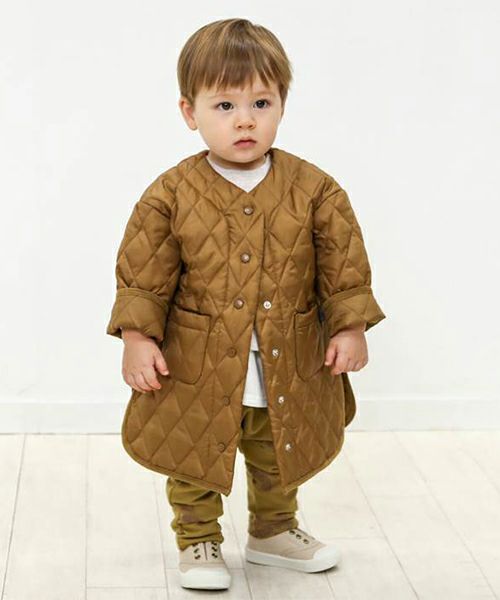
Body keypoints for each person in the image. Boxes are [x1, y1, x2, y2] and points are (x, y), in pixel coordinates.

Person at [106, 17, 386, 591]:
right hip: (197, 363)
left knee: (279, 449)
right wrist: (137, 337)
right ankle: (198, 538)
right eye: (225, 105)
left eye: (261, 102)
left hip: (285, 358)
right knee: (192, 455)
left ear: (282, 104)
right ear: (190, 112)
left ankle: (274, 531)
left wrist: (349, 326)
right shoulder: (170, 194)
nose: (245, 120)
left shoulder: (315, 189)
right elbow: (144, 275)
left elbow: (343, 266)